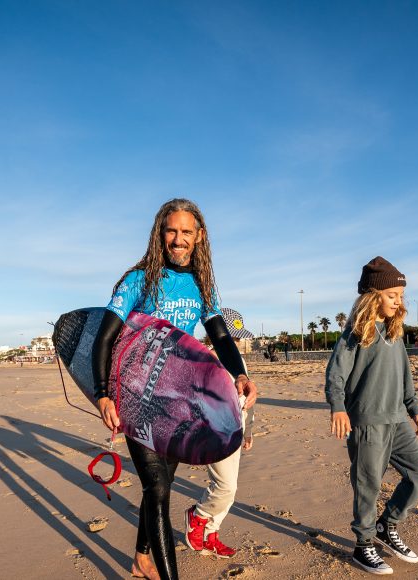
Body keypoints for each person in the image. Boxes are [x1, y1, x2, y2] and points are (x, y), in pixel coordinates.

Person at [90, 198, 258, 580]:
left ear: (199, 237)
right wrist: (102, 393)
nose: (178, 240)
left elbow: (220, 334)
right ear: (159, 233)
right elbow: (104, 338)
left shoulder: (201, 286)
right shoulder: (138, 280)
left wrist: (240, 376)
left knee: (159, 486)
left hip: (177, 401)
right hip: (134, 396)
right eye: (171, 231)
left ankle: (141, 559)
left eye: (186, 232)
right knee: (158, 490)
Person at [325, 256, 418, 575]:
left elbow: (404, 377)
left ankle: (387, 525)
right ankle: (363, 546)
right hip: (367, 422)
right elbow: (335, 375)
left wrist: (415, 410)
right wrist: (338, 407)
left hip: (398, 420)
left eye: (400, 296)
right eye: (392, 295)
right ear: (373, 296)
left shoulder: (394, 332)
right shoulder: (355, 333)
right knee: (368, 486)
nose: (398, 301)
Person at [184, 307, 257, 559]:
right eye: (232, 337)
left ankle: (211, 533)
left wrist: (248, 432)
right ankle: (199, 516)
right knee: (224, 486)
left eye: (237, 338)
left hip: (238, 426)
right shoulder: (207, 359)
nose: (236, 342)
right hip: (216, 430)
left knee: (231, 489)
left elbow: (247, 398)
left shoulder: (240, 362)